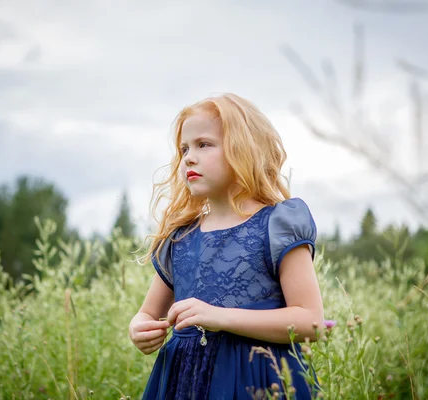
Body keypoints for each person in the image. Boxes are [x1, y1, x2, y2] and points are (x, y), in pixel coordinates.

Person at [129, 93, 324, 399]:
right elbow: (147, 314)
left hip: (260, 379)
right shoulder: (180, 237)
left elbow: (311, 321)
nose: (189, 157)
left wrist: (220, 318)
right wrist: (139, 328)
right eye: (183, 149)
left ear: (243, 148)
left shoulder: (277, 224)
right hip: (186, 383)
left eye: (203, 144)